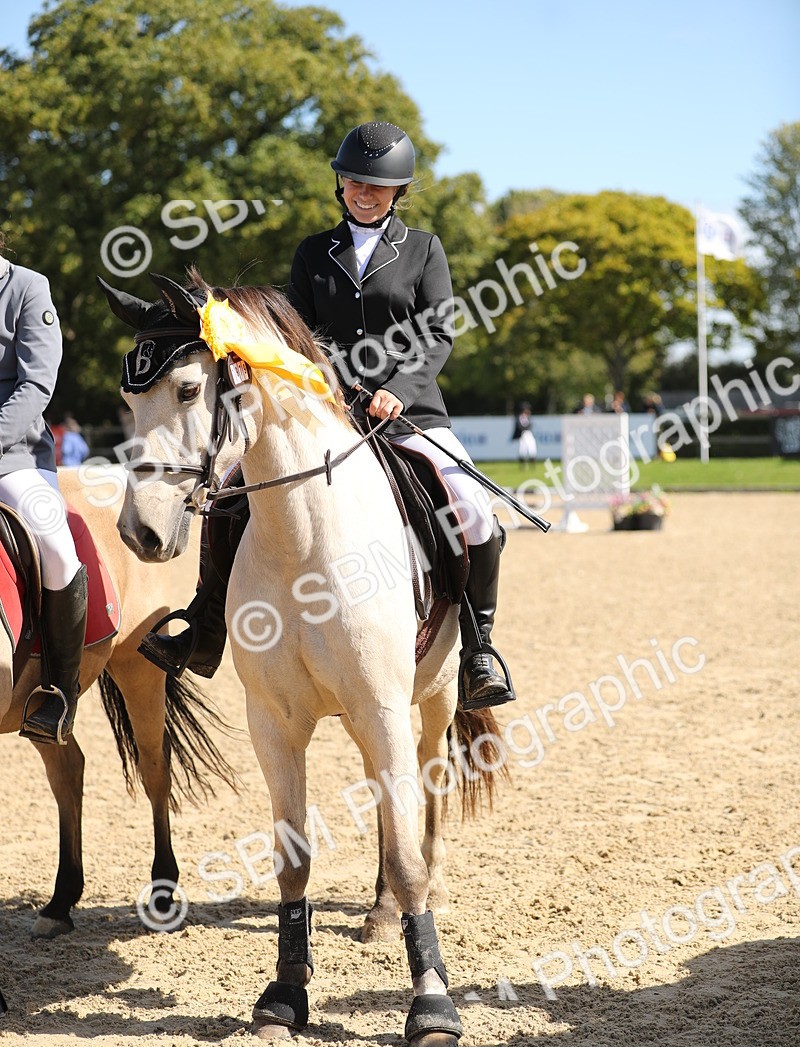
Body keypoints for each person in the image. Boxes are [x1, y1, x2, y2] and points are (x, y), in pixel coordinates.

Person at [142, 121, 515, 709]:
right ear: (340, 184)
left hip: (410, 412)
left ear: (397, 193)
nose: (364, 193)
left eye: (377, 186)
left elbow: (440, 332)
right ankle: (206, 623)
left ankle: (479, 648)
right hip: (327, 414)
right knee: (236, 493)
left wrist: (398, 385)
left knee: (474, 512)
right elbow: (300, 337)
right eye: (354, 182)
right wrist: (335, 387)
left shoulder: (423, 249)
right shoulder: (314, 252)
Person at [0, 233, 88, 743]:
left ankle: (57, 692)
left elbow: (35, 384)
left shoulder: (27, 288)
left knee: (56, 549)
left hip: (15, 458)